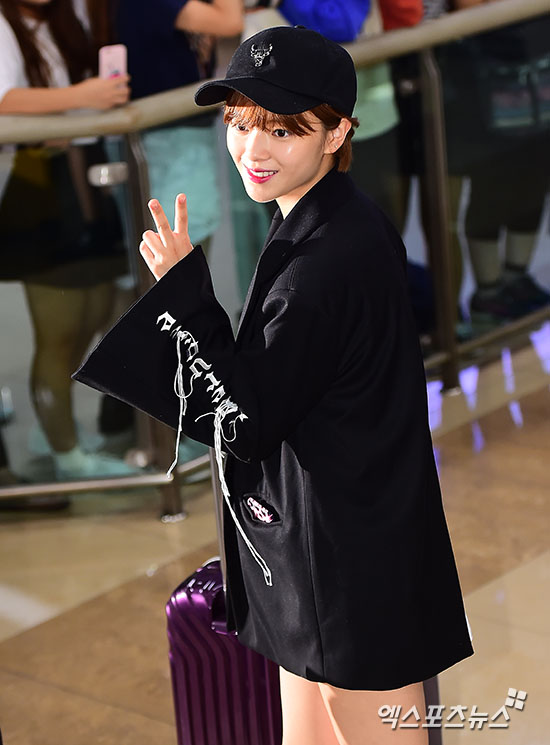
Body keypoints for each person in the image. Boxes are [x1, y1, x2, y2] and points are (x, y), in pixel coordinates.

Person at [75, 27, 473, 744]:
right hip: (330, 540)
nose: (253, 149)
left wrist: (185, 296)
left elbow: (247, 417)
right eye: (240, 122)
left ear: (338, 133)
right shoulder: (331, 220)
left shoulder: (323, 260)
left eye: (284, 130)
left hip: (345, 559)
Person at [0, 0, 139, 487]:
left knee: (96, 312)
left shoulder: (67, 16)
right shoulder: (5, 23)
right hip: (39, 188)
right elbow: (4, 99)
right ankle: (67, 456)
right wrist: (83, 95)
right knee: (59, 331)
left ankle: (56, 435)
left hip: (87, 180)